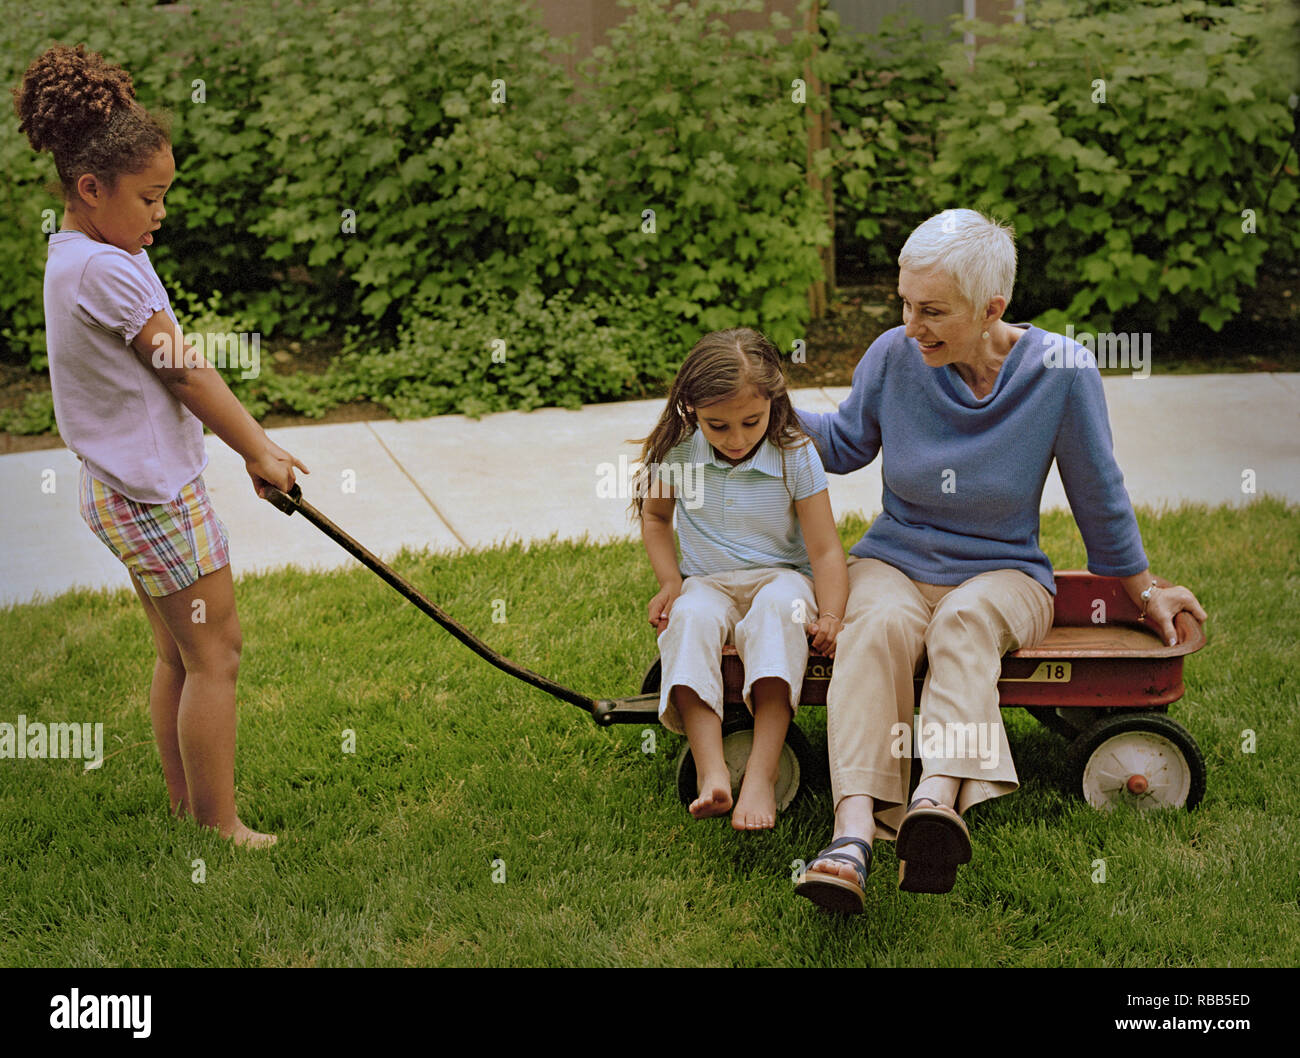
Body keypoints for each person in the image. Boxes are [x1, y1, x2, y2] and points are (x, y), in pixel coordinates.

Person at [791, 209, 1208, 910]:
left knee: (965, 620)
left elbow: (1098, 494)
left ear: (992, 308)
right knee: (879, 628)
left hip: (1006, 573)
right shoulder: (895, 356)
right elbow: (844, 444)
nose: (910, 323)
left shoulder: (1060, 371)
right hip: (893, 559)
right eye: (904, 303)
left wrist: (1143, 589)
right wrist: (766, 404)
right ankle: (852, 835)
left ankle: (934, 804)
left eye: (931, 310)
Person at [15, 43, 308, 847]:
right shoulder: (112, 272)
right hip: (151, 492)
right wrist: (257, 449)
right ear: (90, 188)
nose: (160, 214)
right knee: (217, 653)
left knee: (180, 653)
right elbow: (184, 372)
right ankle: (220, 827)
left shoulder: (80, 256)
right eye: (150, 197)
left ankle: (190, 809)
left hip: (120, 485)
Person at [634, 329, 848, 830]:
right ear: (690, 410)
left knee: (777, 615)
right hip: (707, 580)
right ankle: (713, 772)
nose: (736, 439)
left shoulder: (795, 453)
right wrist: (670, 582)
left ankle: (760, 773)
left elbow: (824, 548)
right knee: (687, 619)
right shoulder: (681, 454)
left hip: (781, 578)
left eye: (751, 422)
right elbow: (656, 519)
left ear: (773, 401)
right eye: (718, 426)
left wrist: (833, 612)